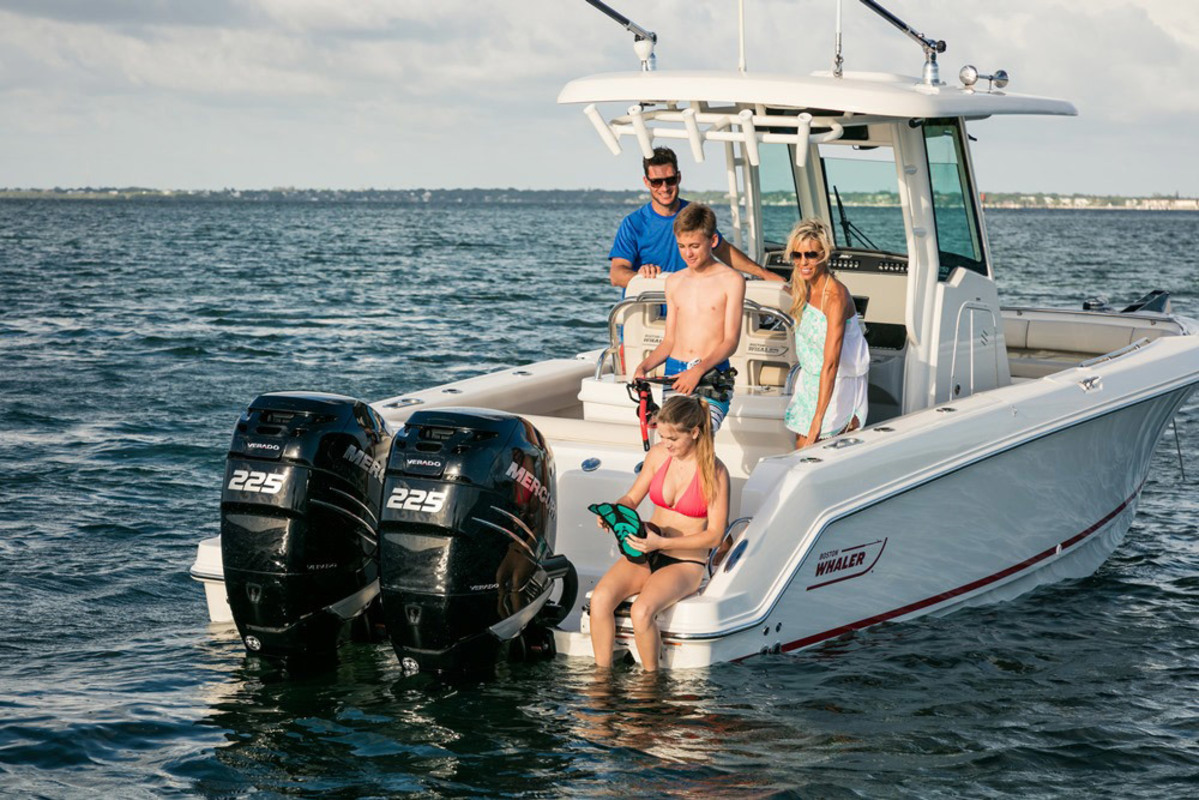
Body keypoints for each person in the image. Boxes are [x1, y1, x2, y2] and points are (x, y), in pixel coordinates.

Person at [589, 394, 730, 671]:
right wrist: (613, 513)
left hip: (684, 561)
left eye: (673, 439)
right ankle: (601, 681)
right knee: (600, 599)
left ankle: (651, 685)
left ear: (695, 432)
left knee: (642, 612)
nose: (666, 444)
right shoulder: (657, 455)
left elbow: (715, 535)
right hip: (645, 549)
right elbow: (631, 499)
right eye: (662, 436)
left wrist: (661, 542)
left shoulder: (715, 472)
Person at [633, 203, 743, 432]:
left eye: (694, 246)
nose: (688, 253)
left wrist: (697, 370)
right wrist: (643, 367)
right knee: (674, 443)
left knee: (699, 440)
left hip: (712, 373)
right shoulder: (673, 282)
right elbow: (669, 341)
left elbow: (730, 341)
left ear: (712, 241)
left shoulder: (732, 280)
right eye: (682, 246)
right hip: (674, 371)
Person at [609, 147, 783, 290]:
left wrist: (764, 274)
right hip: (648, 318)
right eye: (656, 182)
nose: (664, 187)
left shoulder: (694, 213)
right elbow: (617, 275)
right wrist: (643, 276)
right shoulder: (633, 224)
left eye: (670, 180)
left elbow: (722, 250)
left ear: (678, 177)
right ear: (646, 182)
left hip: (692, 314)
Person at [782, 219, 870, 448]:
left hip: (837, 385)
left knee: (817, 455)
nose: (803, 262)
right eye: (797, 255)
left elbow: (831, 364)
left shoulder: (835, 297)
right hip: (809, 383)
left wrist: (817, 420)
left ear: (824, 255)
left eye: (810, 255)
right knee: (800, 454)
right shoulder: (804, 286)